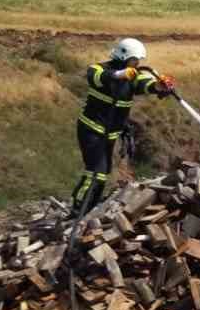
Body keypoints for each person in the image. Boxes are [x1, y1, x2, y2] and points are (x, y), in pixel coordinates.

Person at [72, 37, 175, 212]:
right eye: (134, 60)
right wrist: (119, 75)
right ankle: (78, 208)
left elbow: (144, 84)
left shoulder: (132, 76)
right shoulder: (100, 69)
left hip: (109, 133)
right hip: (92, 130)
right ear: (124, 57)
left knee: (102, 173)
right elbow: (96, 77)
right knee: (96, 172)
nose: (137, 64)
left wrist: (159, 86)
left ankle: (89, 207)